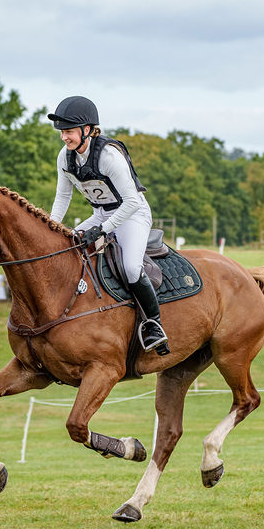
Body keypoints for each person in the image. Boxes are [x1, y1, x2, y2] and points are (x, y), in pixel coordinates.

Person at [47, 95, 169, 354]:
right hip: (101, 214)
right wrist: (51, 227)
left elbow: (131, 203)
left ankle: (153, 325)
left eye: (68, 131)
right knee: (63, 247)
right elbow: (63, 196)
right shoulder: (65, 157)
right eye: (62, 132)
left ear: (88, 130)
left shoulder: (109, 157)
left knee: (131, 268)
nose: (64, 137)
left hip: (132, 215)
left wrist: (101, 229)